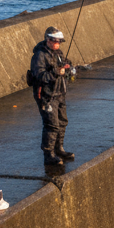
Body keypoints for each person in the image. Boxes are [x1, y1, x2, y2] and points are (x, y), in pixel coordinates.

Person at [30, 26, 75, 166]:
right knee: (51, 125)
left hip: (60, 93)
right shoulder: (39, 55)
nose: (57, 43)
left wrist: (69, 68)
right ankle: (48, 154)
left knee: (62, 122)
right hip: (46, 95)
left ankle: (59, 149)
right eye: (54, 40)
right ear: (47, 40)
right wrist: (56, 72)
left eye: (59, 41)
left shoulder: (58, 53)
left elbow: (66, 64)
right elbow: (40, 76)